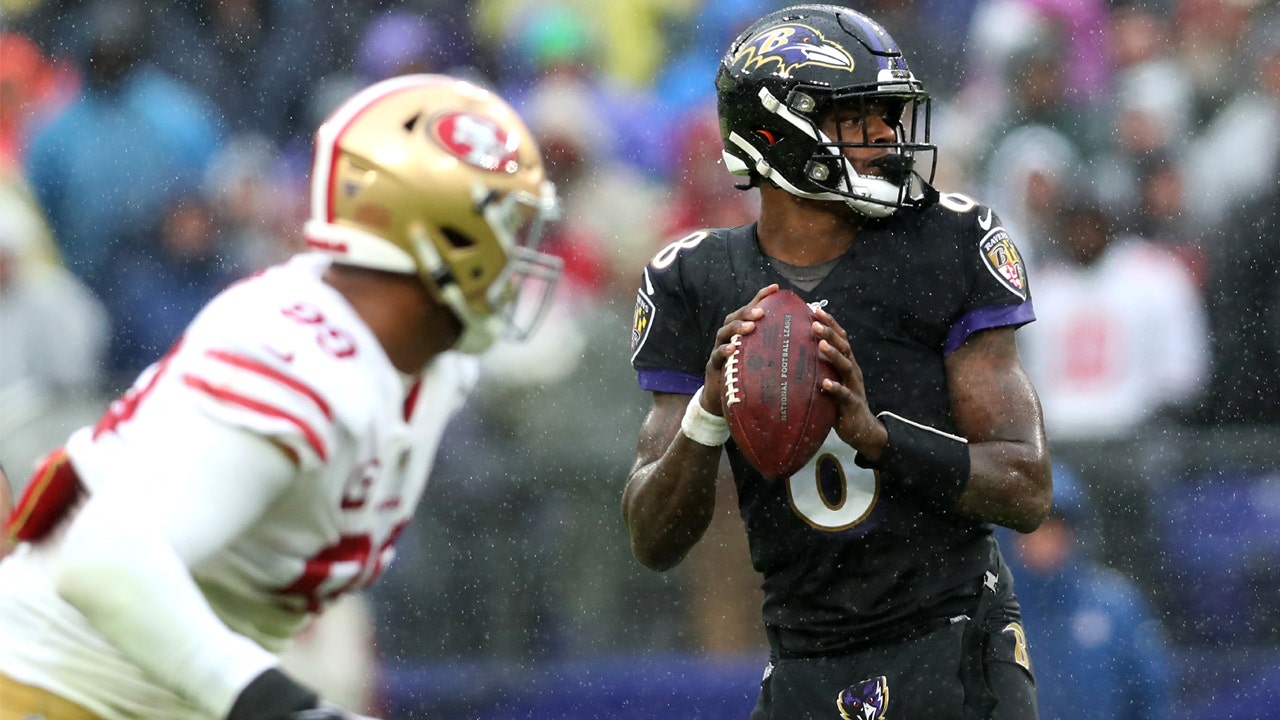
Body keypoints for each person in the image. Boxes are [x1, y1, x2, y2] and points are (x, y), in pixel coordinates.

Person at [0, 73, 564, 720]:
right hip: (49, 692)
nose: (520, 256)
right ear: (440, 235)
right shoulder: (298, 359)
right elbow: (105, 560)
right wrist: (281, 707)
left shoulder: (431, 363)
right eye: (505, 226)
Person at [623, 6, 1052, 719]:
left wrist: (882, 439)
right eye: (859, 119)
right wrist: (707, 415)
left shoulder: (948, 243)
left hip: (950, 640)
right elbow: (652, 537)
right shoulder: (693, 282)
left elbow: (1026, 487)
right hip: (802, 658)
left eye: (889, 116)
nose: (887, 137)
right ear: (778, 132)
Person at [1000, 465, 1174, 720]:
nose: (1044, 541)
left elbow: (1151, 694)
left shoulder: (1115, 604)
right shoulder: (992, 610)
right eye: (1032, 529)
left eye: (1055, 528)